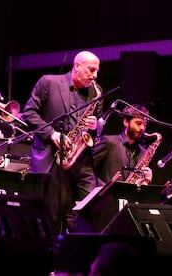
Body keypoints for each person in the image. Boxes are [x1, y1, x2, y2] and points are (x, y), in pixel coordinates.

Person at [22, 50, 103, 234]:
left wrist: (94, 126)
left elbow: (97, 128)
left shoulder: (96, 92)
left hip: (82, 159)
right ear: (77, 66)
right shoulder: (49, 82)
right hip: (54, 158)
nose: (95, 75)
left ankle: (85, 255)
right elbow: (29, 113)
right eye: (91, 70)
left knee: (91, 207)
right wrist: (51, 133)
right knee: (54, 213)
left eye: (97, 71)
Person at [87, 104, 154, 186]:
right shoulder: (109, 142)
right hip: (105, 196)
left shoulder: (143, 153)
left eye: (145, 124)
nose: (142, 128)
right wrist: (104, 189)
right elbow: (88, 170)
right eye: (138, 123)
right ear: (126, 122)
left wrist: (146, 180)